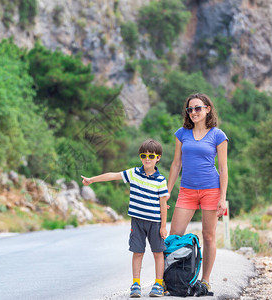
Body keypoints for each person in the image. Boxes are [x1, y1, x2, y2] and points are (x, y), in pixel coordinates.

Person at [81, 139, 170, 298]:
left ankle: (158, 284)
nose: (147, 158)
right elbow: (113, 175)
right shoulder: (133, 173)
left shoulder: (161, 180)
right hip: (137, 221)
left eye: (151, 155)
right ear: (140, 156)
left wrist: (163, 226)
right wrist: (92, 179)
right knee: (137, 252)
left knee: (158, 253)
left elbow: (163, 205)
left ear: (158, 157)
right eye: (143, 155)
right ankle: (136, 283)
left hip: (155, 223)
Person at [167, 93, 228, 296]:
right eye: (190, 109)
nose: (193, 112)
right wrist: (167, 191)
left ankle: (206, 280)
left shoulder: (218, 135)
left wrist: (222, 198)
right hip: (186, 191)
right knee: (173, 236)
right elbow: (176, 164)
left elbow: (223, 168)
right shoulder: (182, 134)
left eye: (198, 108)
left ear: (207, 109)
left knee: (209, 237)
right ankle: (169, 280)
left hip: (211, 190)